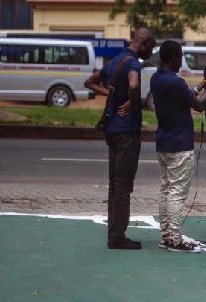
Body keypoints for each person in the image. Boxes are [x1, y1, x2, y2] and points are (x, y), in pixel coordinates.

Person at [84, 28, 156, 250]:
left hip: (112, 130)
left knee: (114, 185)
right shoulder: (133, 63)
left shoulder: (115, 61)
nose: (151, 52)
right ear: (142, 42)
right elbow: (134, 84)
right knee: (124, 186)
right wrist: (134, 103)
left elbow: (90, 82)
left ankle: (113, 233)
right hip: (127, 132)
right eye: (150, 47)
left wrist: (112, 95)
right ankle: (117, 236)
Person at [151, 40, 206, 253]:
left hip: (164, 141)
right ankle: (175, 240)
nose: (181, 61)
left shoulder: (157, 78)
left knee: (166, 190)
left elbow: (186, 96)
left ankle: (166, 236)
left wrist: (201, 85)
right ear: (173, 57)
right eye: (180, 56)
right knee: (177, 193)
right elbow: (199, 105)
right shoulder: (175, 81)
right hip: (179, 144)